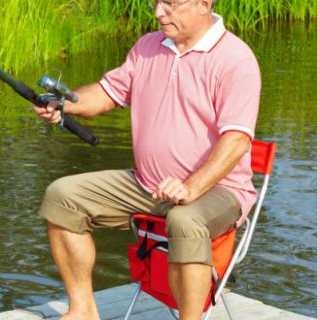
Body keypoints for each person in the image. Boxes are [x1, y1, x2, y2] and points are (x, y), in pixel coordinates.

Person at [31, 0, 260, 319]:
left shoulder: (235, 58)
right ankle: (82, 310)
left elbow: (236, 141)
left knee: (185, 219)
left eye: (170, 4)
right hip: (147, 185)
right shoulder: (148, 46)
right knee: (63, 197)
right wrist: (64, 104)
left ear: (204, 4)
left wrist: (190, 189)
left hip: (217, 191)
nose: (158, 13)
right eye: (156, 3)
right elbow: (107, 93)